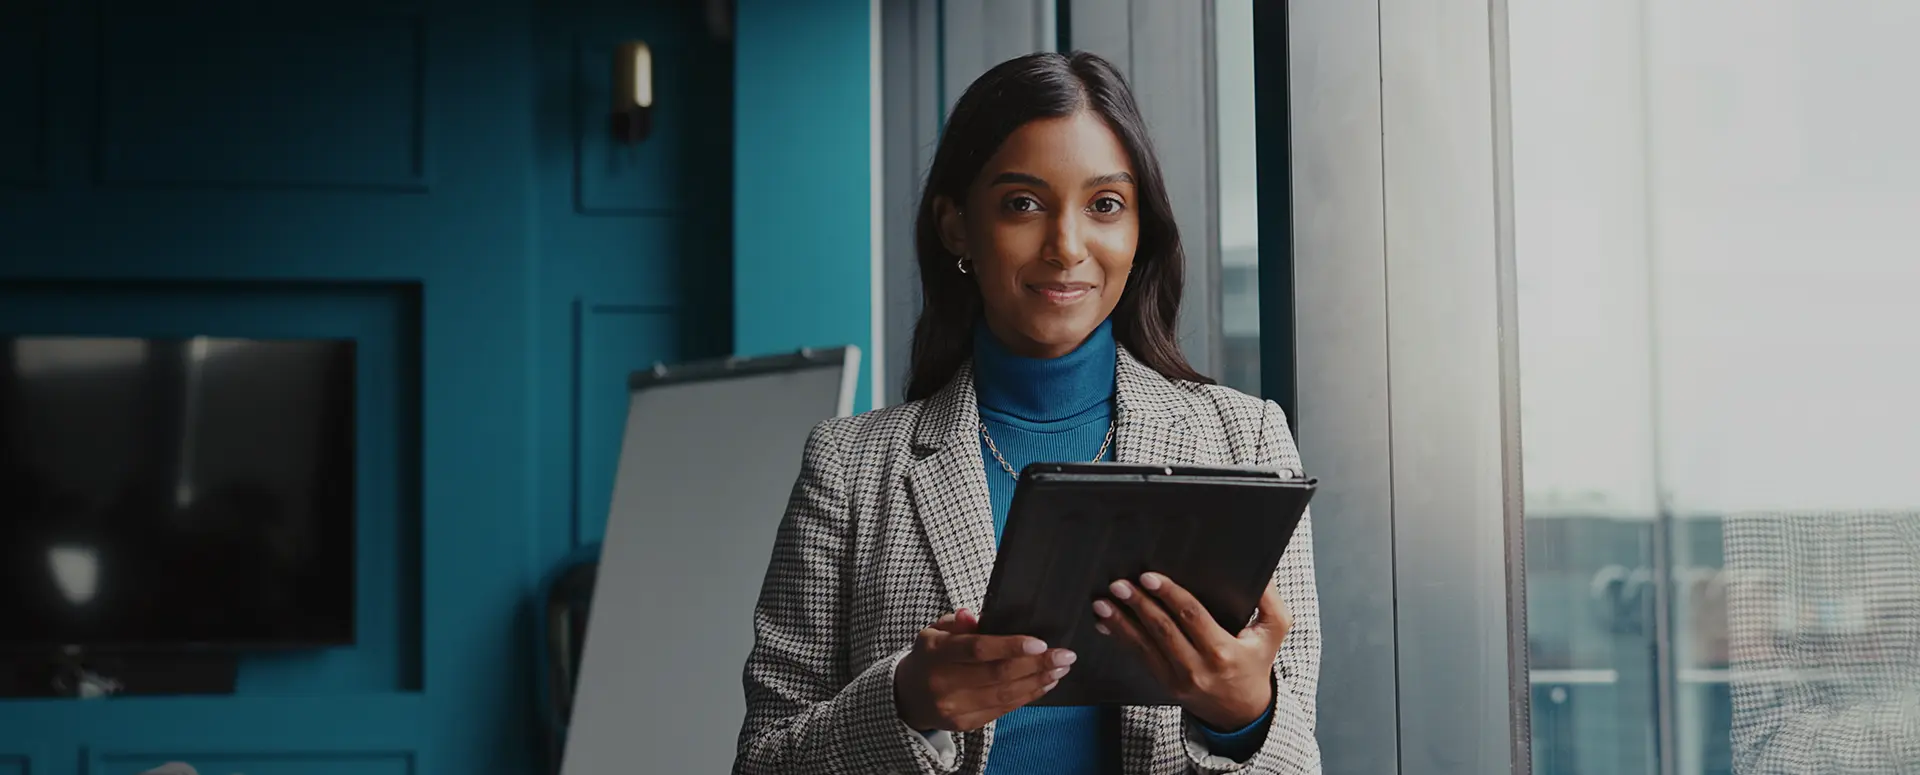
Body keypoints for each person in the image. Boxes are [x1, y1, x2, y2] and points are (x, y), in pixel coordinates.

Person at [733, 51, 1321, 775]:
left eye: (1105, 204)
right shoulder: (850, 466)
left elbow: (1297, 757)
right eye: (1022, 203)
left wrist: (1242, 712)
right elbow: (762, 762)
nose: (1067, 247)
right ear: (956, 225)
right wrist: (907, 701)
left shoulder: (1246, 441)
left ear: (1140, 230)